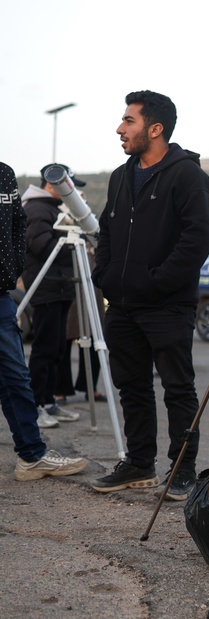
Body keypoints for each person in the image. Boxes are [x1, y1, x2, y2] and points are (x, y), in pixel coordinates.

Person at [90, 90, 209, 501]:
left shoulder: (187, 176)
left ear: (155, 128)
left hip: (166, 303)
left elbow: (199, 237)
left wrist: (159, 281)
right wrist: (106, 275)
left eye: (129, 121)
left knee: (178, 388)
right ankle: (139, 464)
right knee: (132, 386)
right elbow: (106, 231)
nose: (120, 128)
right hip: (123, 304)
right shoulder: (121, 175)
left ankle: (183, 470)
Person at [0, 160, 89, 481]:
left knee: (19, 373)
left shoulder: (5, 176)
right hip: (45, 288)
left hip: (9, 292)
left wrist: (11, 271)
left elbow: (15, 230)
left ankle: (33, 449)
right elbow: (37, 241)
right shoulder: (41, 207)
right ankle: (34, 444)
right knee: (30, 362)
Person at [20, 164, 83, 427]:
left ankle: (48, 402)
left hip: (59, 286)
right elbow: (41, 245)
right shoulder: (37, 208)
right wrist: (73, 244)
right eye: (68, 185)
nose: (72, 191)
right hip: (45, 287)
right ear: (51, 185)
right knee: (44, 349)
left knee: (57, 348)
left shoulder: (52, 208)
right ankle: (35, 405)